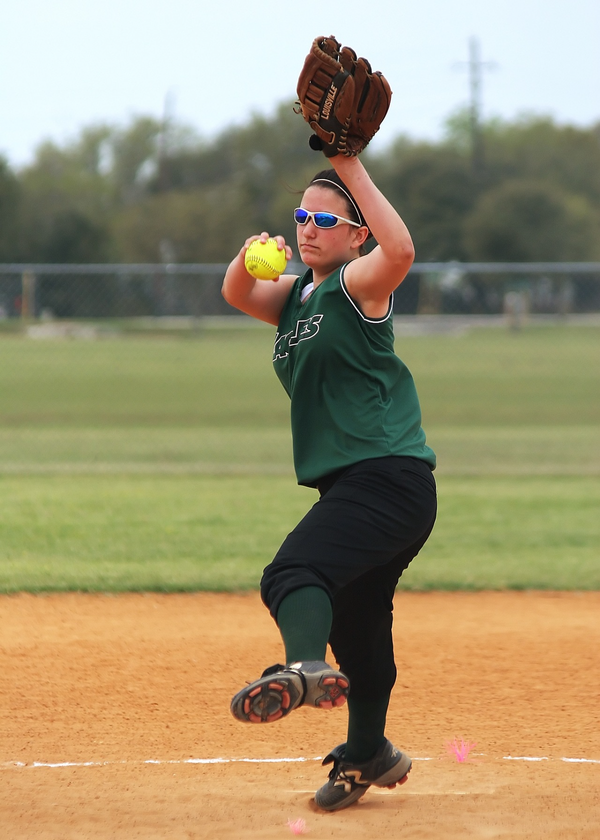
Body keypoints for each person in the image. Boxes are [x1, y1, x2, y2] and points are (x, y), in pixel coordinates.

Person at [221, 153, 437, 812]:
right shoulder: (295, 297)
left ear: (355, 234)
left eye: (324, 219)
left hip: (387, 477)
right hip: (358, 488)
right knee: (362, 625)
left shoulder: (358, 286)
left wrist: (349, 163)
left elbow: (400, 248)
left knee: (292, 573)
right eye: (301, 217)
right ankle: (368, 751)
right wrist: (249, 253)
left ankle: (303, 668)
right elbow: (236, 292)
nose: (309, 228)